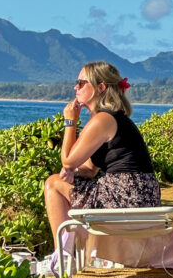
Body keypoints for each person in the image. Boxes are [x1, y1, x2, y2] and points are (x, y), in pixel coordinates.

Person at [43, 60, 160, 250]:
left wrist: (69, 121)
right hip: (140, 194)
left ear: (100, 87)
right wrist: (72, 172)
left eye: (81, 83)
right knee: (59, 180)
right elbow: (89, 169)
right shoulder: (113, 118)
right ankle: (69, 251)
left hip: (127, 196)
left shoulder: (103, 119)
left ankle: (61, 255)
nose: (76, 87)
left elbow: (67, 159)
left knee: (52, 184)